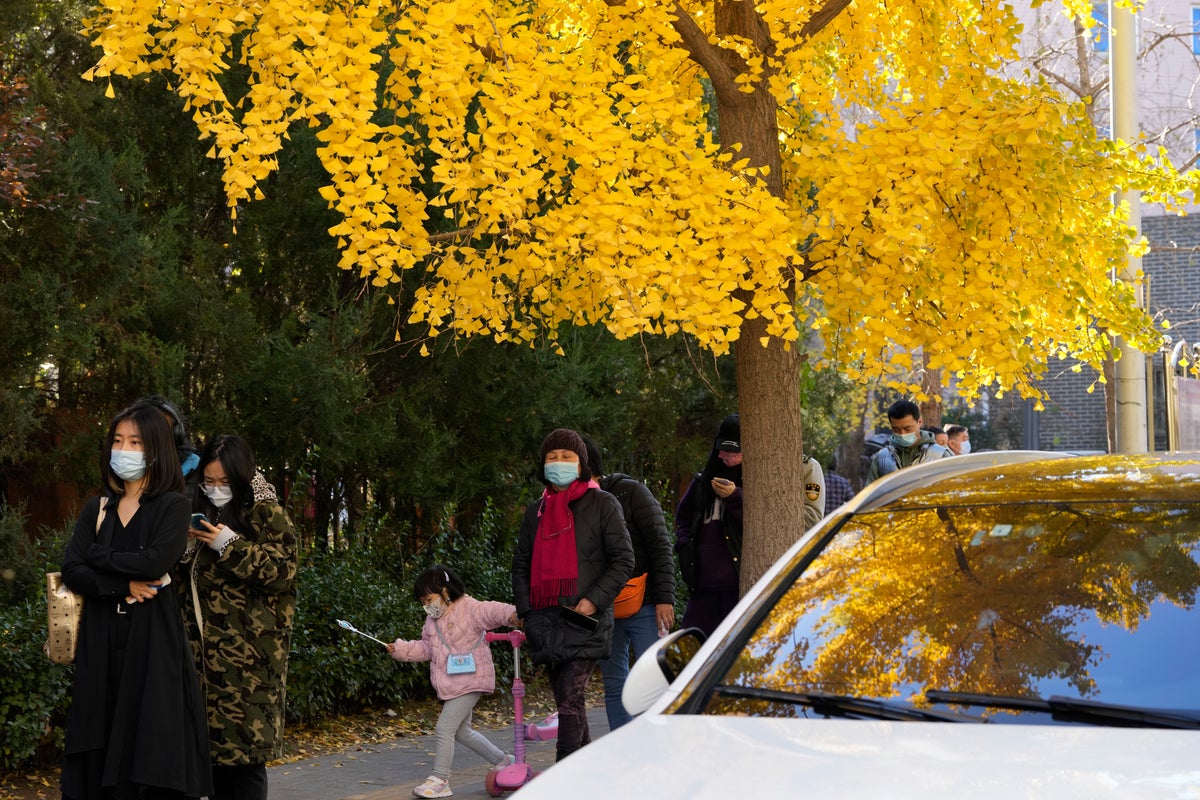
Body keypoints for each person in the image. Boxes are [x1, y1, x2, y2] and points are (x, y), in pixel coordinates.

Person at [60, 402, 213, 800]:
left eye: (135, 442)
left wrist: (98, 558)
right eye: (118, 441)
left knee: (149, 748)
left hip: (152, 644)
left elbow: (155, 561)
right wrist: (122, 586)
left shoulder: (174, 506)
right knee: (99, 738)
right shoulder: (97, 507)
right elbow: (72, 569)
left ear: (157, 450)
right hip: (100, 642)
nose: (124, 450)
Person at [181, 435, 298, 800]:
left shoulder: (267, 512)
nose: (216, 489)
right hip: (201, 666)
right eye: (208, 481)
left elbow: (281, 572)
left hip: (250, 669)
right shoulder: (198, 512)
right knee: (207, 762)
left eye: (224, 482)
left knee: (243, 763)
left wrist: (227, 545)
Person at [511, 428, 634, 762]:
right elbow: (521, 564)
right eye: (552, 457)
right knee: (570, 703)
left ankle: (561, 774)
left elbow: (624, 560)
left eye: (567, 457)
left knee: (568, 699)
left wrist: (593, 600)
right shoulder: (535, 511)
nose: (559, 463)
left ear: (581, 463)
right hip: (545, 619)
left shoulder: (603, 503)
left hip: (585, 617)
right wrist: (527, 610)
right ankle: (590, 771)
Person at [388, 565, 519, 799]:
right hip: (452, 682)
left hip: (472, 679)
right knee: (461, 732)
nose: (426, 606)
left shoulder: (469, 608)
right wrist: (401, 649)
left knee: (444, 728)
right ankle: (504, 760)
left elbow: (492, 611)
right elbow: (426, 649)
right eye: (422, 602)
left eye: (429, 599)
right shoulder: (431, 621)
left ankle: (440, 779)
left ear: (445, 591)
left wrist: (513, 615)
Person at [582, 436, 676, 732]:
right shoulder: (568, 506)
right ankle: (623, 750)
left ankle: (659, 744)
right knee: (614, 683)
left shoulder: (630, 491)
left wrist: (665, 597)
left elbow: (661, 545)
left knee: (654, 680)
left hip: (645, 601)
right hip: (602, 606)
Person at [866, 400, 951, 482]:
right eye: (896, 429)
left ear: (919, 422)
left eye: (907, 428)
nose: (902, 434)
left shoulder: (940, 455)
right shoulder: (882, 458)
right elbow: (872, 492)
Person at [129, 394, 201, 487]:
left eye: (161, 430)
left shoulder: (198, 472)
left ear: (176, 435)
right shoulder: (123, 472)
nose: (155, 438)